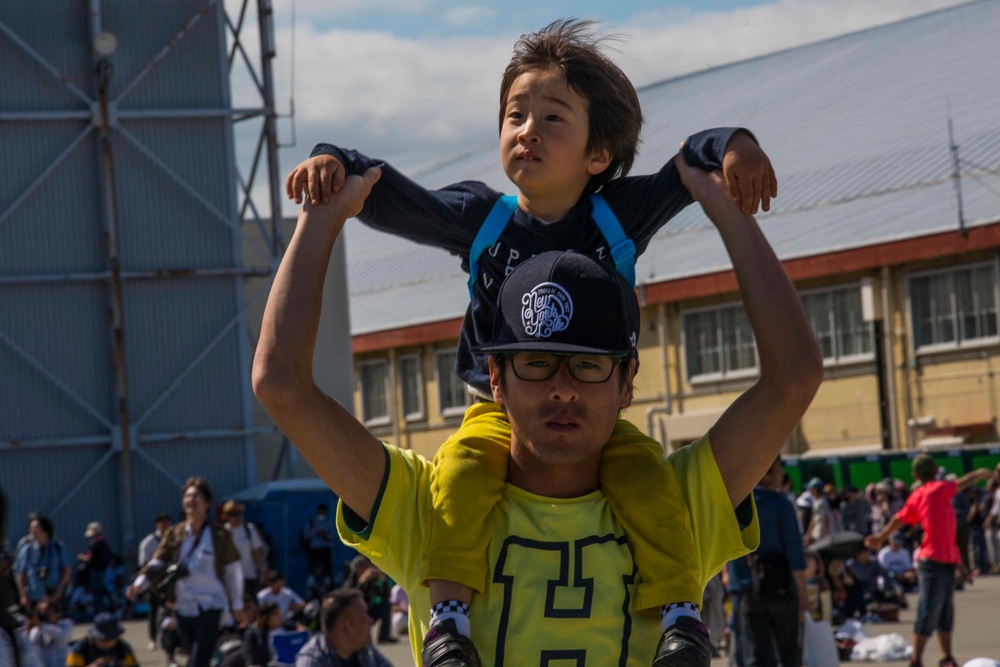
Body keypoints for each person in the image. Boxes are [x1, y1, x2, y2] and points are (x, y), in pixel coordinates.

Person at [285, 19, 779, 666]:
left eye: (552, 118)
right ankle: (449, 618)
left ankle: (682, 616)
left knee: (650, 480)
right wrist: (335, 165)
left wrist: (737, 146)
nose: (528, 131)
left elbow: (689, 164)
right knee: (460, 476)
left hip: (602, 415)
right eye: (515, 115)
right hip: (497, 411)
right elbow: (390, 196)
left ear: (597, 154)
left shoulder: (617, 214)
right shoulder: (481, 216)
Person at [865, 454, 992, 667]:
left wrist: (880, 537)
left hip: (941, 560)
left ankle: (946, 657)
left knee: (943, 611)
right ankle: (916, 660)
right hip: (933, 561)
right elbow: (964, 482)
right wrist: (982, 473)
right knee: (929, 610)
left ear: (915, 475)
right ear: (935, 472)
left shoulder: (917, 495)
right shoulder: (939, 489)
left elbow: (899, 518)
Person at [126, 477, 246, 667]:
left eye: (196, 496)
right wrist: (139, 584)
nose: (191, 500)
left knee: (198, 660)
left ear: (207, 503)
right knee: (196, 657)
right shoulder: (175, 533)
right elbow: (157, 562)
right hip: (183, 607)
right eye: (187, 496)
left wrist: (237, 604)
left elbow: (233, 571)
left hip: (211, 605)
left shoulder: (219, 534)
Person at [729, 456, 809, 667]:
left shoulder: (735, 504)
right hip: (781, 588)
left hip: (746, 589)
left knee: (754, 654)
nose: (781, 475)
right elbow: (795, 553)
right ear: (766, 473)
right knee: (788, 652)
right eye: (779, 470)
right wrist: (803, 592)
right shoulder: (782, 505)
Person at [294, 589, 393, 667]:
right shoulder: (313, 661)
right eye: (363, 619)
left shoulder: (367, 651)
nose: (370, 621)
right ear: (345, 628)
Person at [14, 515, 72, 615]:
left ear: (45, 529)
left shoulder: (58, 547)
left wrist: (60, 589)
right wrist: (23, 595)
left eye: (36, 528)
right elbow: (21, 573)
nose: (33, 531)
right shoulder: (27, 549)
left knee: (56, 628)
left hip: (54, 596)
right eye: (31, 528)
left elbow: (67, 569)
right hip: (34, 596)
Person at [137, 513, 173, 651]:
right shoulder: (149, 542)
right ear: (157, 525)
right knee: (154, 611)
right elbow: (143, 564)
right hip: (155, 582)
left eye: (167, 523)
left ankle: (170, 641)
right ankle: (153, 639)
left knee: (171, 611)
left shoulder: (175, 538)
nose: (165, 526)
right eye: (162, 523)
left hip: (171, 582)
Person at [223, 501, 268, 596]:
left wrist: (262, 570)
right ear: (227, 517)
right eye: (234, 515)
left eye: (239, 514)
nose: (238, 518)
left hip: (248, 575)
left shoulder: (249, 529)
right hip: (230, 578)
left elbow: (256, 552)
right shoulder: (224, 532)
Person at [65, 612, 139, 667]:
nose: (108, 643)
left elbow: (134, 664)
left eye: (112, 638)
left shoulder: (123, 648)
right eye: (103, 640)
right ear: (94, 636)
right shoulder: (82, 648)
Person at [24, 599, 72, 667]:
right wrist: (28, 628)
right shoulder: (37, 630)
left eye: (49, 612)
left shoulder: (65, 624)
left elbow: (63, 636)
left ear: (57, 614)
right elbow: (28, 645)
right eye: (43, 613)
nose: (46, 615)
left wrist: (41, 626)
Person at [301, 505, 335, 577]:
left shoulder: (329, 523)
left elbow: (333, 536)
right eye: (320, 511)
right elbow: (306, 536)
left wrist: (325, 534)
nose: (321, 513)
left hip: (325, 549)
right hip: (314, 550)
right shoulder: (311, 522)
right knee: (313, 568)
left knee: (327, 569)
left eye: (323, 511)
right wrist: (315, 533)